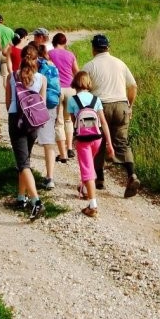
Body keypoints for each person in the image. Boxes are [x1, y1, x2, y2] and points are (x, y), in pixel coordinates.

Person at [82, 34, 140, 198]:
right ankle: (131, 175)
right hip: (121, 105)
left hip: (100, 107)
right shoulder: (120, 63)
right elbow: (133, 85)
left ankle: (99, 178)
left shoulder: (90, 65)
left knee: (97, 141)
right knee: (122, 143)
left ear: (93, 48)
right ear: (108, 47)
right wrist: (130, 105)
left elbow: (82, 88)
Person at [5, 44, 46, 220]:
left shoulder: (12, 77)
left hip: (17, 120)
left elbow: (8, 103)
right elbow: (42, 102)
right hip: (34, 122)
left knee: (23, 163)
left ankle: (36, 201)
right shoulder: (41, 78)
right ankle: (21, 197)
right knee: (25, 159)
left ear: (21, 57)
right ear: (37, 59)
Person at [68, 71, 114, 217]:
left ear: (75, 82)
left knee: (87, 168)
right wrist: (110, 144)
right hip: (97, 139)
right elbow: (104, 122)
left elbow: (74, 121)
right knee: (89, 165)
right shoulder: (96, 99)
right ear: (88, 83)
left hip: (83, 140)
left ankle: (93, 204)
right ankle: (85, 188)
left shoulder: (72, 100)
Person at [34, 43, 62, 188]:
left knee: (27, 139)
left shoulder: (32, 65)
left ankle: (23, 171)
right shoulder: (52, 66)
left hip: (32, 107)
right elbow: (58, 88)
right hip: (50, 105)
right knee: (49, 142)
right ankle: (50, 177)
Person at [49, 32, 80, 160]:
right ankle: (69, 148)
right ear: (65, 43)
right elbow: (77, 72)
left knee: (59, 121)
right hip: (70, 89)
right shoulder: (71, 55)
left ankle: (63, 154)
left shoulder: (49, 54)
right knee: (68, 120)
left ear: (54, 42)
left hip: (56, 89)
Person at [0, 14, 15, 86]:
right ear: (3, 21)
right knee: (5, 76)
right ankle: (6, 93)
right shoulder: (10, 30)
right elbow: (13, 42)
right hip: (6, 54)